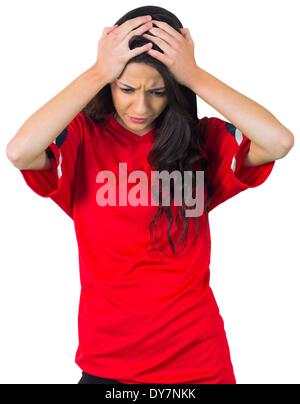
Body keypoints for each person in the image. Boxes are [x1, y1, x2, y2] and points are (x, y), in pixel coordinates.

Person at [6, 5, 293, 384]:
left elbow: (278, 141)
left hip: (198, 363)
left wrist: (194, 75)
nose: (140, 107)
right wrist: (97, 71)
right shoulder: (81, 138)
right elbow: (19, 151)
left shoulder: (201, 141)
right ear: (110, 84)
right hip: (107, 364)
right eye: (126, 88)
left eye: (157, 92)